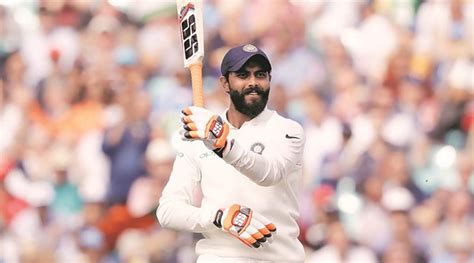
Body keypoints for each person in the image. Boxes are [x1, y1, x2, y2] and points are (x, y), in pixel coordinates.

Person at [156, 44, 305, 262]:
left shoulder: (288, 130)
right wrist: (218, 217)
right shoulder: (201, 134)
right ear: (225, 83)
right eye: (243, 75)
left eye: (260, 75)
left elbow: (270, 173)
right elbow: (167, 211)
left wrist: (222, 145)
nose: (253, 82)